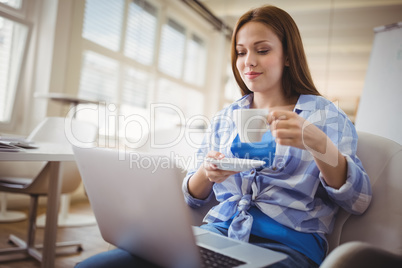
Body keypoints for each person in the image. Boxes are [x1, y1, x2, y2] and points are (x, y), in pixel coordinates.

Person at [75, 5, 371, 268]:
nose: (248, 62)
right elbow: (189, 198)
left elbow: (358, 201)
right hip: (217, 235)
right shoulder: (225, 118)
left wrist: (317, 143)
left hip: (288, 247)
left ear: (289, 56)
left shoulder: (324, 114)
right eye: (241, 52)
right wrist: (207, 171)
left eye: (262, 50)